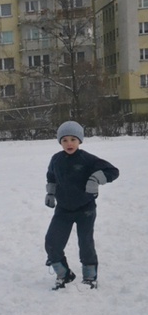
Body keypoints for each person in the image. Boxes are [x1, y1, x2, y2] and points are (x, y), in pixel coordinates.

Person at [45, 121, 119, 290]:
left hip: (85, 208)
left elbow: (113, 171)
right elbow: (51, 176)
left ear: (79, 141)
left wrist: (95, 179)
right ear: (60, 142)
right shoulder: (56, 159)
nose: (69, 143)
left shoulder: (87, 159)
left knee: (85, 242)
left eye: (73, 139)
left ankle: (90, 276)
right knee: (52, 242)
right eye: (64, 140)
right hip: (63, 209)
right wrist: (50, 193)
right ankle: (64, 274)